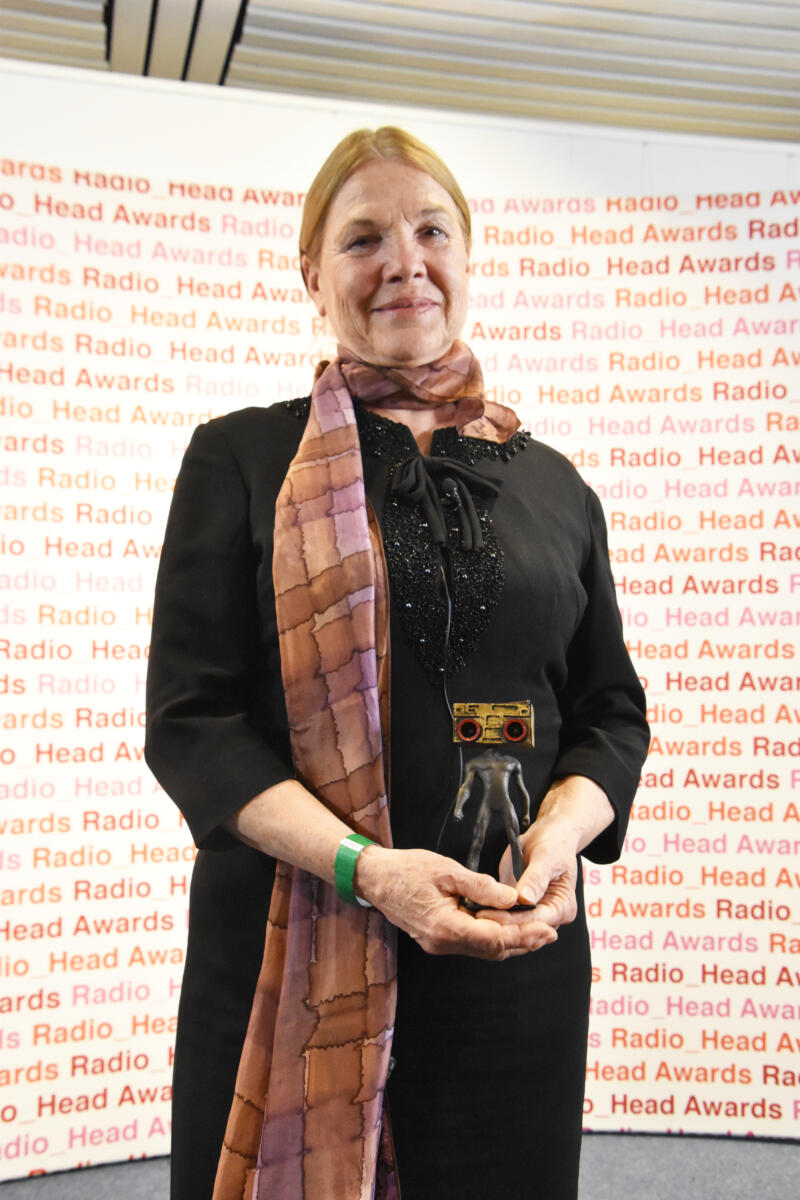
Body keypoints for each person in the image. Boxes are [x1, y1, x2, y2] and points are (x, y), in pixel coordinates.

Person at [145, 126, 650, 1200]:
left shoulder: (554, 485)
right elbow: (192, 723)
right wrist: (369, 873)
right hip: (292, 952)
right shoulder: (241, 458)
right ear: (312, 275)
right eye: (363, 238)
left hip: (514, 963)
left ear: (466, 257)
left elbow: (609, 712)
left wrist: (562, 835)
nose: (403, 263)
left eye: (431, 232)